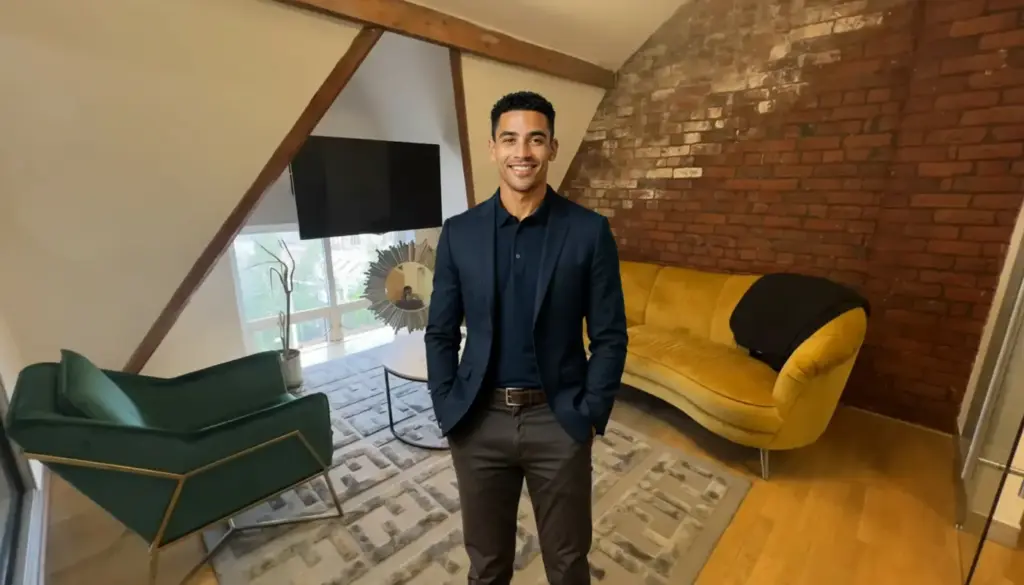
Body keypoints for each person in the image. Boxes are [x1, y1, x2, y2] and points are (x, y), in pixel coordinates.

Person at [424, 90, 628, 585]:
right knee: (487, 568)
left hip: (557, 420)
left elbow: (610, 336)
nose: (523, 152)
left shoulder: (589, 232)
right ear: (492, 148)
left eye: (536, 139)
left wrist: (589, 413)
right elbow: (440, 331)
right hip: (478, 420)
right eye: (510, 139)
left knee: (567, 566)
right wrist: (447, 406)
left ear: (552, 148)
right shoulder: (459, 233)